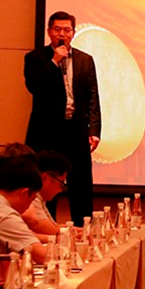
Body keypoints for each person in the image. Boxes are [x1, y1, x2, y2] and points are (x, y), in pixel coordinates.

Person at [24, 11, 101, 226]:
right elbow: (34, 86)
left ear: (73, 33)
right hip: (46, 134)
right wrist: (54, 61)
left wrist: (94, 130)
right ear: (49, 32)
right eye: (57, 29)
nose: (62, 34)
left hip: (76, 131)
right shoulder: (35, 58)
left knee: (81, 187)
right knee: (46, 187)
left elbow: (93, 97)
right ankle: (47, 233)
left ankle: (83, 233)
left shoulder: (85, 60)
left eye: (67, 30)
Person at [22, 150, 73, 241]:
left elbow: (54, 227)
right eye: (61, 184)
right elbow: (40, 225)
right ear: (45, 177)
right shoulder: (29, 194)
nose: (60, 190)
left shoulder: (39, 197)